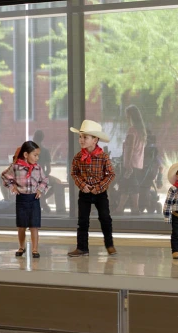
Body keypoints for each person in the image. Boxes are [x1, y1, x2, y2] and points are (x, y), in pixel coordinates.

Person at [68, 120, 117, 257]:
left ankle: (109, 245)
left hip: (100, 193)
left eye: (85, 137)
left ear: (95, 140)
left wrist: (99, 187)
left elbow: (110, 174)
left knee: (105, 218)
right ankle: (82, 247)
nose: (81, 140)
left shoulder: (103, 157)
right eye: (80, 137)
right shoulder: (78, 157)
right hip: (84, 193)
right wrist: (83, 185)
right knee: (82, 220)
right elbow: (74, 173)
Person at [1, 141, 48, 258]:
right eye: (35, 155)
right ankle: (21, 246)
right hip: (21, 199)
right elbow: (4, 176)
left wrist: (40, 189)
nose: (37, 158)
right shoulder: (16, 167)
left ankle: (35, 249)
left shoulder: (38, 168)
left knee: (34, 225)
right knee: (21, 225)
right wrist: (12, 187)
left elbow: (45, 180)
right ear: (26, 155)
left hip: (34, 199)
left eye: (38, 155)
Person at [115, 105, 146, 215]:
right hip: (138, 163)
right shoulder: (141, 131)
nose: (126, 118)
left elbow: (129, 148)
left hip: (130, 164)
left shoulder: (132, 130)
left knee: (128, 186)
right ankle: (124, 208)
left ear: (131, 117)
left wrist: (127, 165)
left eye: (127, 116)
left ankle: (132, 209)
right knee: (130, 186)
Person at [33, 129, 67, 213]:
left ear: (34, 138)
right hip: (42, 176)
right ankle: (60, 208)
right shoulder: (45, 151)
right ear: (42, 138)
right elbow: (48, 169)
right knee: (58, 182)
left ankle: (42, 200)